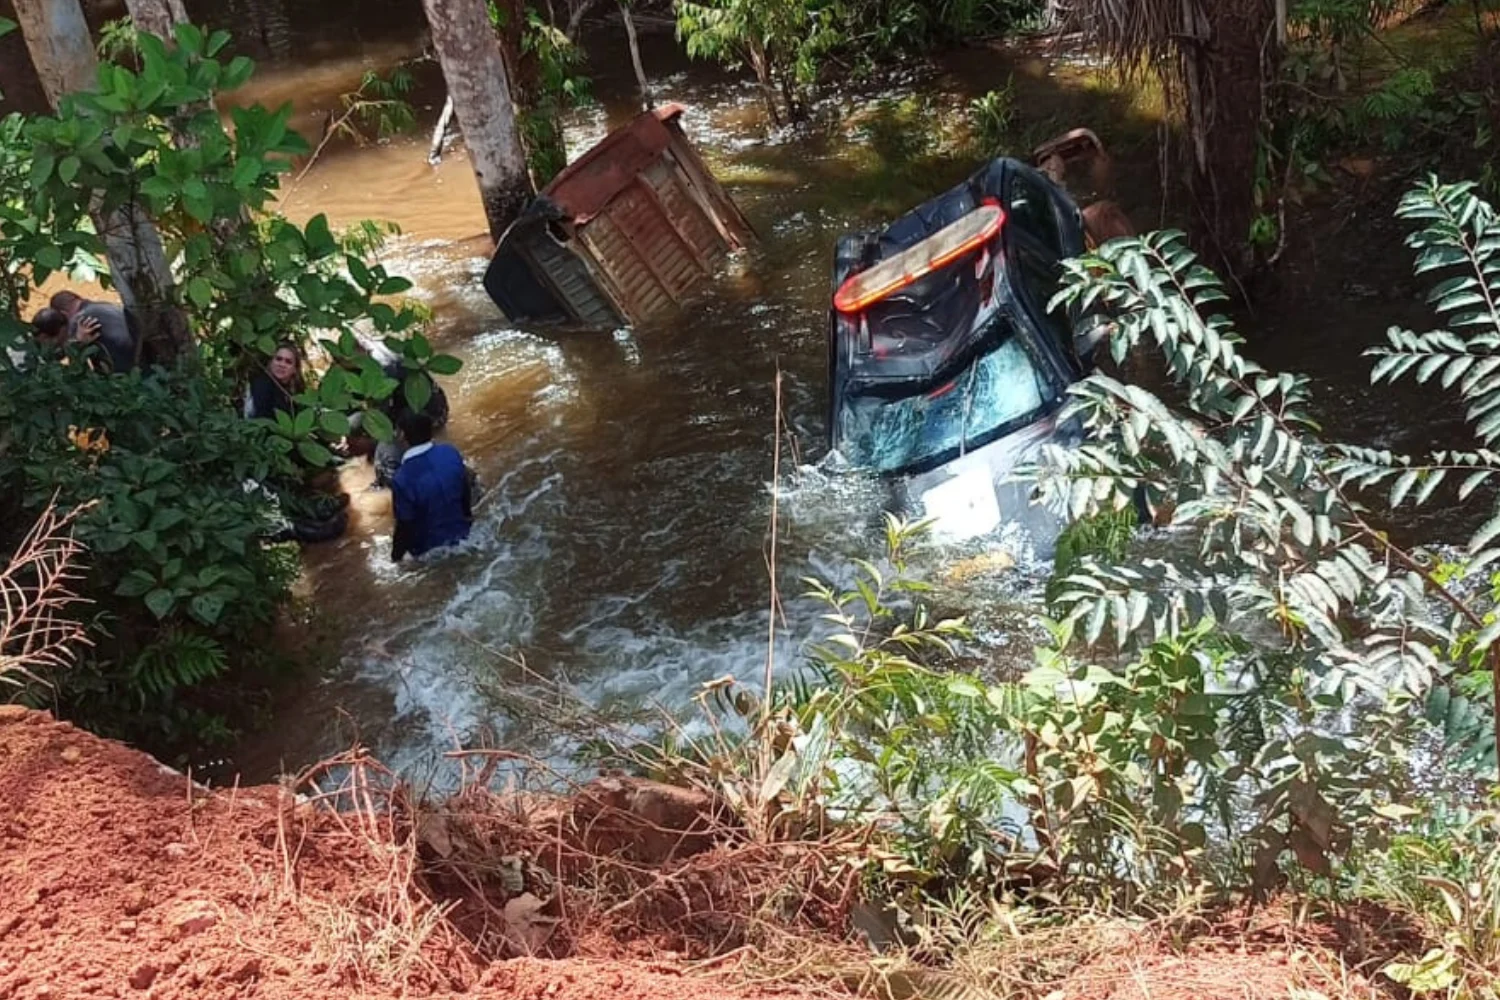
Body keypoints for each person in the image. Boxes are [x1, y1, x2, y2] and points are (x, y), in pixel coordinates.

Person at [390, 411, 472, 562]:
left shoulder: (402, 478)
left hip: (428, 551)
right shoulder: (450, 452)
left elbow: (404, 525)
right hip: (464, 536)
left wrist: (395, 558)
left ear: (402, 435)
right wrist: (468, 518)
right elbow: (465, 491)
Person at [49, 291, 138, 373]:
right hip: (141, 357)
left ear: (63, 314)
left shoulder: (79, 321)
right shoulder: (105, 305)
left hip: (128, 371)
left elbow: (65, 355)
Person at [243, 342, 305, 420]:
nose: (282, 365)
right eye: (278, 359)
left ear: (295, 369)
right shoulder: (262, 384)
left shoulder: (296, 391)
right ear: (271, 362)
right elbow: (262, 416)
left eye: (288, 362)